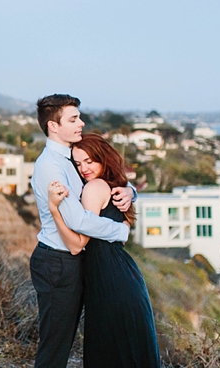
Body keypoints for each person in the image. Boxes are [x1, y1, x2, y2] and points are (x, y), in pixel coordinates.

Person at [30, 94, 135, 368]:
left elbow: (104, 179)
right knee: (55, 347)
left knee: (65, 343)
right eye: (73, 119)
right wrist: (120, 231)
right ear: (53, 126)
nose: (81, 123)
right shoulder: (51, 166)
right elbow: (78, 220)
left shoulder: (71, 158)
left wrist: (129, 191)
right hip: (58, 262)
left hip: (74, 261)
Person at [47, 133, 160, 368]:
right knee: (127, 352)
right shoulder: (116, 187)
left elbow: (78, 244)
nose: (84, 168)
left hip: (110, 282)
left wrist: (54, 210)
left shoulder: (94, 188)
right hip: (121, 278)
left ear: (103, 158)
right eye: (78, 164)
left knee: (109, 353)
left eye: (89, 161)